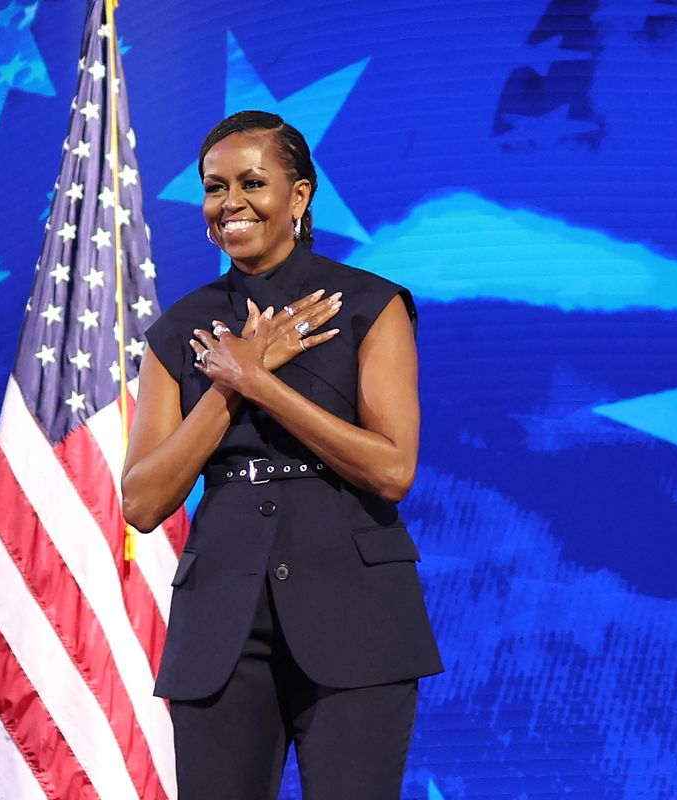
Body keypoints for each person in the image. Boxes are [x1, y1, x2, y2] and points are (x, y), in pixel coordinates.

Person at [122, 110, 443, 799]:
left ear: (298, 196)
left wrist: (261, 382)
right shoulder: (178, 330)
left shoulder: (368, 305)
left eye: (252, 182)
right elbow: (143, 502)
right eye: (214, 187)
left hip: (356, 610)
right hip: (221, 630)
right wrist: (229, 388)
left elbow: (393, 470)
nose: (229, 204)